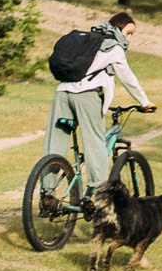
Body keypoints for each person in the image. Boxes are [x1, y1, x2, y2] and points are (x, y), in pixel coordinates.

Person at [46, 10, 154, 193]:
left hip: (63, 92)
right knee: (94, 143)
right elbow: (127, 77)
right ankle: (99, 193)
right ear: (118, 29)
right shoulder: (114, 46)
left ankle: (46, 191)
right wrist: (144, 102)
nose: (129, 39)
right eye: (128, 33)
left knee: (54, 144)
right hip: (87, 96)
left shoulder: (90, 39)